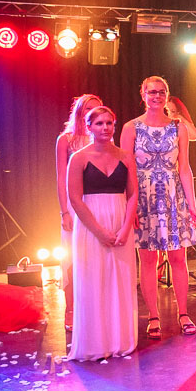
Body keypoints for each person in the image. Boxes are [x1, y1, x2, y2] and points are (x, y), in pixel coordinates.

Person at [119, 76, 196, 339]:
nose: (157, 95)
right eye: (152, 91)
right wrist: (128, 207)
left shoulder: (179, 128)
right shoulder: (131, 127)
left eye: (162, 91)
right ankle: (153, 315)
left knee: (178, 257)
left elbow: (185, 168)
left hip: (172, 194)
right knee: (147, 258)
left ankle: (183, 313)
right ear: (143, 94)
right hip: (143, 195)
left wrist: (192, 204)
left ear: (167, 95)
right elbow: (126, 169)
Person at [66, 106, 138, 360]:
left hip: (120, 222)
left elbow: (132, 195)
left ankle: (121, 339)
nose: (105, 128)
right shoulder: (78, 158)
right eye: (99, 124)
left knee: (120, 280)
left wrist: (126, 227)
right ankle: (95, 343)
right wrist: (99, 232)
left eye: (109, 123)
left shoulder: (126, 157)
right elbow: (75, 199)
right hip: (91, 224)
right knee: (94, 280)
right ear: (89, 127)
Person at [55, 93, 102, 332]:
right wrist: (65, 212)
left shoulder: (104, 140)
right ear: (79, 113)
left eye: (96, 110)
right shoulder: (66, 139)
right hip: (74, 206)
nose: (90, 114)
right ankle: (70, 309)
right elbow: (61, 179)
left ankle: (93, 310)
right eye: (87, 110)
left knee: (96, 259)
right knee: (72, 261)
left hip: (99, 205)